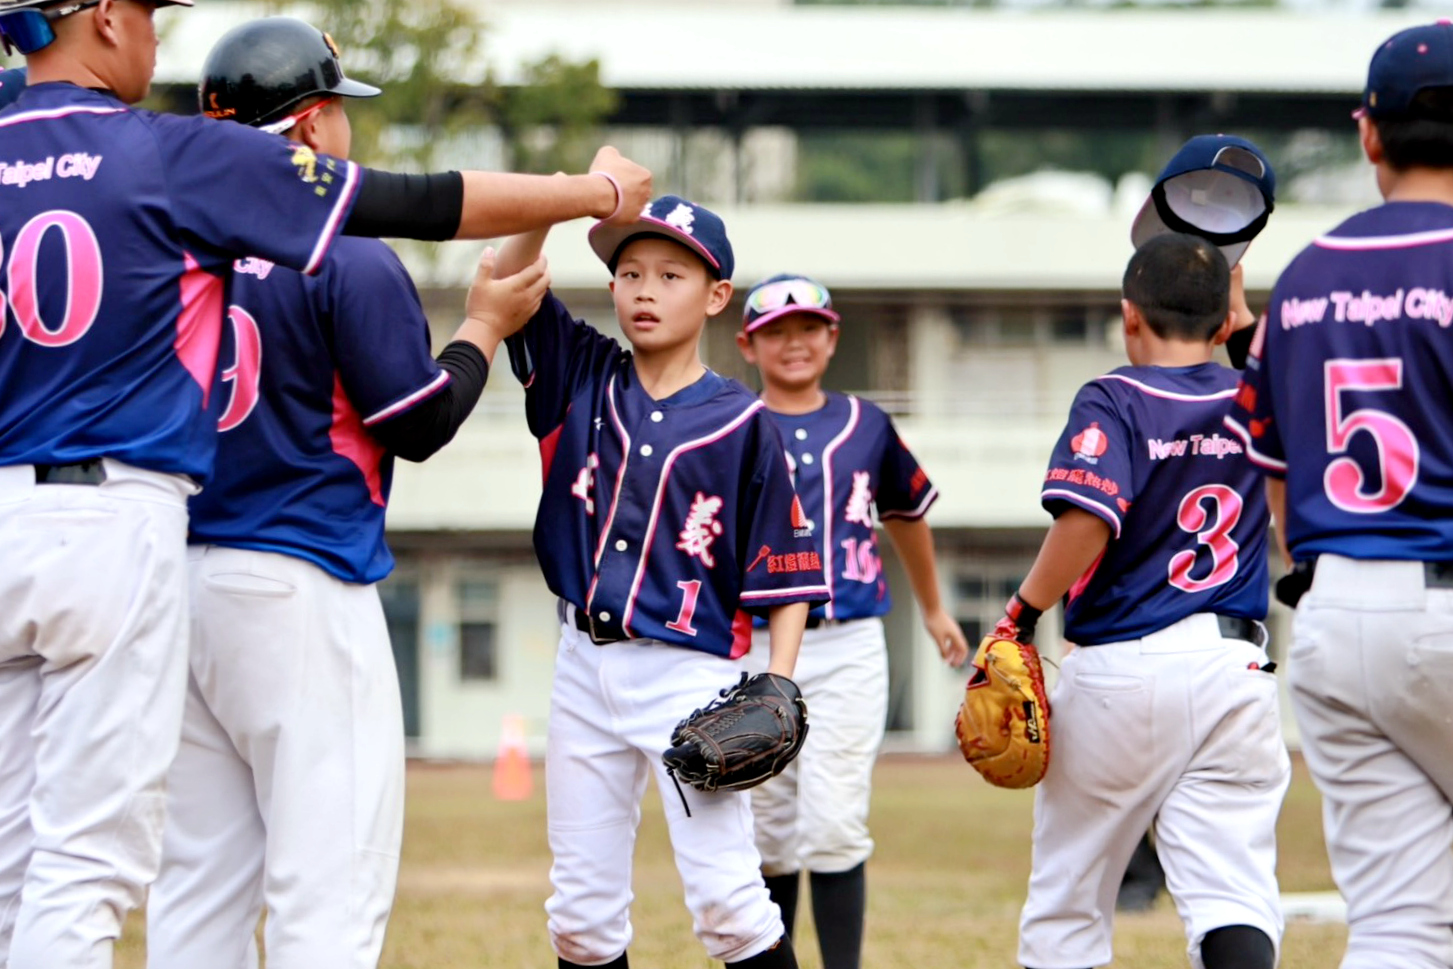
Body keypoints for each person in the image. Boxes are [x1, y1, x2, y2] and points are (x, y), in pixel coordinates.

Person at [0, 2, 647, 966]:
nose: (151, 37)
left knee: (168, 888)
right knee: (311, 890)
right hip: (253, 564)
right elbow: (419, 382)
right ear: (308, 123)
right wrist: (558, 225)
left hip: (124, 556)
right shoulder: (220, 184)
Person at [139, 18, 550, 969]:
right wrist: (482, 326)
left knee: (197, 891)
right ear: (315, 126)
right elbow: (417, 423)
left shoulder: (166, 245)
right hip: (298, 580)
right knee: (329, 889)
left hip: (175, 578)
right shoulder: (345, 250)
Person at [494, 197, 828, 969]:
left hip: (689, 672)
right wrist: (562, 195)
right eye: (630, 272)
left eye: (670, 274)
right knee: (578, 914)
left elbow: (788, 571)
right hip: (582, 663)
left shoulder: (744, 422)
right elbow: (506, 272)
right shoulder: (579, 372)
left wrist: (777, 683)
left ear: (715, 296)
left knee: (728, 905)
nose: (644, 289)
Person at [1223, 21, 1453, 969]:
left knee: (1400, 925)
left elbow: (1273, 481)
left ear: (1369, 134)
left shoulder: (1306, 279)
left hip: (1334, 610)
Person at [1007, 233, 1289, 969]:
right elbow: (1273, 374)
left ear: (1128, 315)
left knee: (1068, 898)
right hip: (1236, 665)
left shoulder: (1112, 397)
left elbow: (1087, 519)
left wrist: (1023, 611)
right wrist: (1240, 306)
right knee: (1231, 890)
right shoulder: (1256, 399)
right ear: (1225, 322)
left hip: (1124, 669)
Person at [730, 273, 968, 969]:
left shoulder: (866, 423)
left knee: (832, 822)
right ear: (748, 344)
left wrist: (930, 606)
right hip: (755, 644)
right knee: (767, 829)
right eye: (775, 330)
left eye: (807, 327)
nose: (793, 342)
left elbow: (906, 513)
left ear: (831, 336)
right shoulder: (731, 426)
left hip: (848, 640)